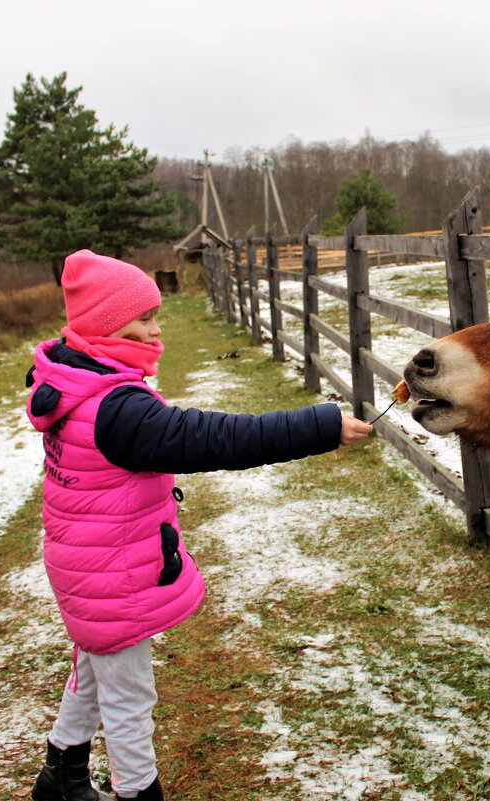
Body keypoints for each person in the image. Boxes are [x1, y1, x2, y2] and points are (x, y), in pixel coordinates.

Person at [25, 250, 373, 801]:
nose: (156, 330)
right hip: (111, 574)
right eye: (144, 319)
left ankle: (60, 777)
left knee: (96, 665)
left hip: (85, 566)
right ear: (105, 322)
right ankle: (137, 791)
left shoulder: (73, 381)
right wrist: (321, 425)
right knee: (129, 699)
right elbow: (217, 438)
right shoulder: (118, 408)